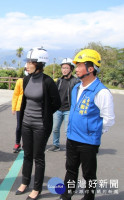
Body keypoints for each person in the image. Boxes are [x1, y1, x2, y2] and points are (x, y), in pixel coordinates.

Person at [59, 49, 115, 200]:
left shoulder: (101, 92)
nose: (75, 68)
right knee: (70, 170)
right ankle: (66, 196)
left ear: (91, 69)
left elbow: (108, 119)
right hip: (72, 138)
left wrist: (92, 132)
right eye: (75, 65)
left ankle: (88, 198)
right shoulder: (77, 87)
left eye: (79, 65)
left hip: (88, 141)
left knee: (89, 174)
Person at [16, 47, 61, 199]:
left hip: (41, 126)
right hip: (26, 123)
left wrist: (45, 115)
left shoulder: (48, 81)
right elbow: (24, 101)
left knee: (38, 156)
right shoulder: (27, 79)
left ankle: (36, 189)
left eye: (30, 62)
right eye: (27, 62)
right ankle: (24, 182)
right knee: (27, 154)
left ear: (39, 64)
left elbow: (56, 103)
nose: (27, 65)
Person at [47, 58, 80, 152]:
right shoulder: (59, 81)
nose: (64, 70)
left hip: (69, 109)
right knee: (55, 129)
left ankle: (70, 148)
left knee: (67, 131)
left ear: (71, 69)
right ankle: (56, 145)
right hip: (58, 109)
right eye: (63, 68)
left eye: (66, 68)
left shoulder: (76, 81)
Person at [11, 64, 27, 153]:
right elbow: (16, 95)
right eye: (26, 69)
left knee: (27, 127)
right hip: (20, 107)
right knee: (19, 126)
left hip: (29, 107)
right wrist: (13, 107)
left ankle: (26, 143)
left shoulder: (34, 81)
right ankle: (17, 142)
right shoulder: (20, 81)